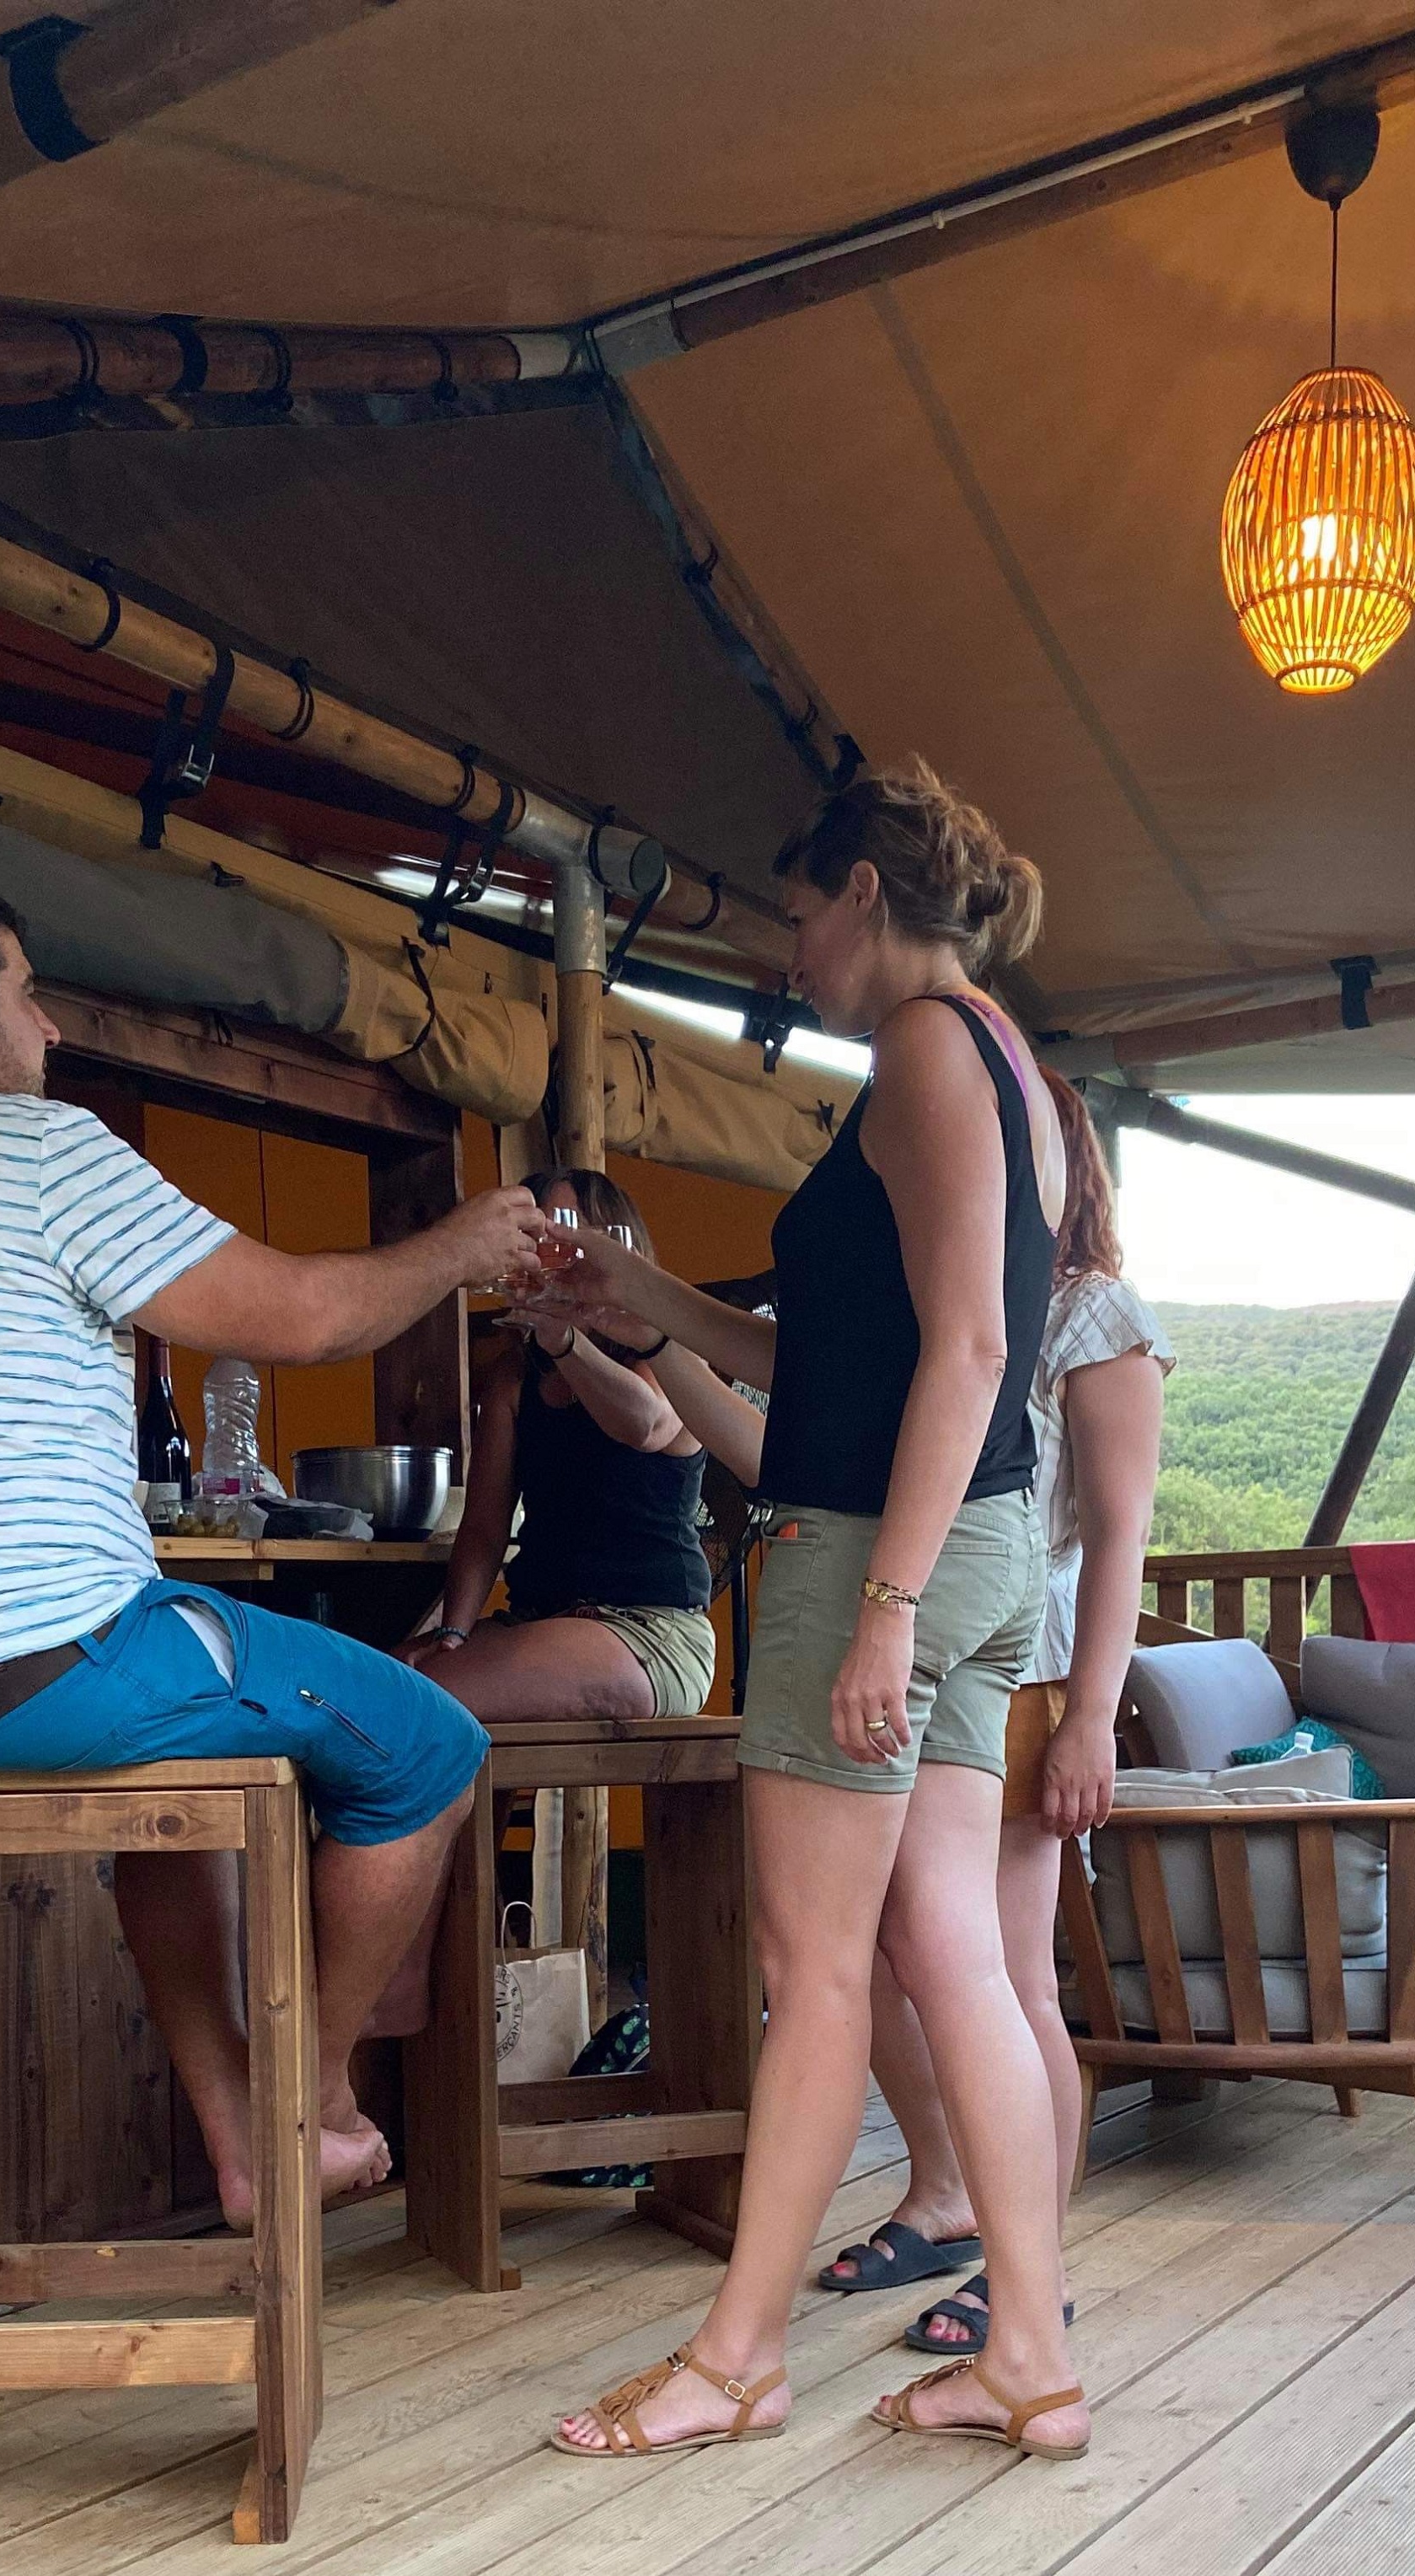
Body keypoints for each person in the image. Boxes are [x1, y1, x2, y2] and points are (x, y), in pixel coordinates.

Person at [0, 874, 550, 2224]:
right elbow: (300, 1316)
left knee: (191, 1774)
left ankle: (241, 2148)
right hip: (53, 1667)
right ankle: (309, 2105)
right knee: (431, 1747)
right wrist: (456, 1246)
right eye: (27, 994)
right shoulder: (35, 1149)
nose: (51, 1029)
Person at [547, 760, 1090, 2465]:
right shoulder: (1000, 1057)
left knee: (812, 1969)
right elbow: (843, 1355)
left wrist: (882, 1606)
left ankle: (735, 2359)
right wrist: (641, 1299)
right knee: (952, 1955)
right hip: (974, 1545)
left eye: (794, 914)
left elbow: (974, 1352)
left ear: (863, 890)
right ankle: (1029, 2355)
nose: (784, 952)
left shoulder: (924, 1046)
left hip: (882, 1550)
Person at [817, 1068, 1171, 2357]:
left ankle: (1034, 2268)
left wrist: (1093, 1718)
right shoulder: (942, 1305)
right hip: (921, 1663)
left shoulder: (1093, 1313)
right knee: (882, 1953)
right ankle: (946, 2191)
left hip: (1030, 1672)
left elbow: (1122, 1534)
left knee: (1009, 1976)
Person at [399, 1168, 723, 1722]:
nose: (545, 1248)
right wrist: (453, 1630)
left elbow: (646, 1425)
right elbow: (484, 1525)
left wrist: (565, 1340)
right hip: (538, 1619)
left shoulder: (666, 1350)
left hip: (649, 1629)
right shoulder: (514, 1376)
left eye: (564, 1232)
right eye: (534, 1233)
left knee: (420, 1702)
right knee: (386, 1680)